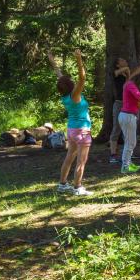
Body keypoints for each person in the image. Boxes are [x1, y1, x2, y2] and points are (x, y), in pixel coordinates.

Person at [48, 49, 94, 196]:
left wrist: (51, 59)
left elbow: (58, 74)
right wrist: (79, 59)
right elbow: (82, 78)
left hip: (72, 130)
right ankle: (77, 187)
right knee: (81, 161)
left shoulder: (65, 94)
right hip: (82, 131)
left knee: (69, 158)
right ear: (70, 85)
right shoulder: (75, 95)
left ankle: (62, 184)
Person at [118, 70, 140, 174]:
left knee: (130, 142)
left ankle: (128, 162)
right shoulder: (131, 85)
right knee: (130, 142)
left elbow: (138, 104)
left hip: (128, 116)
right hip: (128, 116)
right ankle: (125, 166)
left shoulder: (130, 84)